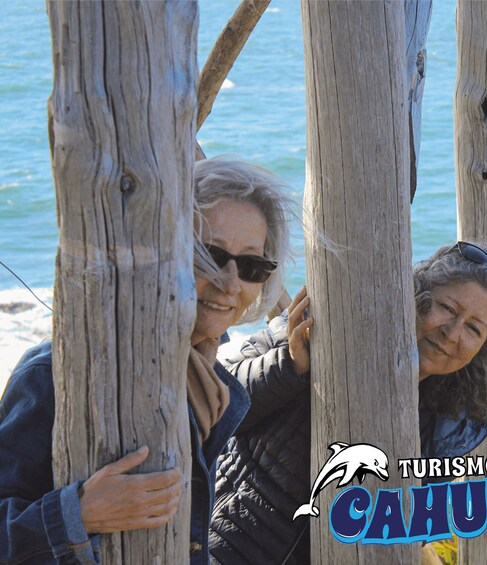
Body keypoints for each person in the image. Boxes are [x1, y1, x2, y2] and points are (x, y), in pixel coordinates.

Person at [0, 157, 294, 564]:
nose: (230, 283)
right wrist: (78, 514)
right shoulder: (54, 375)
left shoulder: (208, 383)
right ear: (159, 249)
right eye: (208, 255)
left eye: (251, 266)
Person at [210, 240, 487, 564]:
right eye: (447, 309)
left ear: (485, 349)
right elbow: (214, 408)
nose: (452, 333)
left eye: (474, 329)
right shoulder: (326, 323)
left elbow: (408, 532)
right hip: (228, 543)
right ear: (415, 297)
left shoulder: (452, 421)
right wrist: (289, 365)